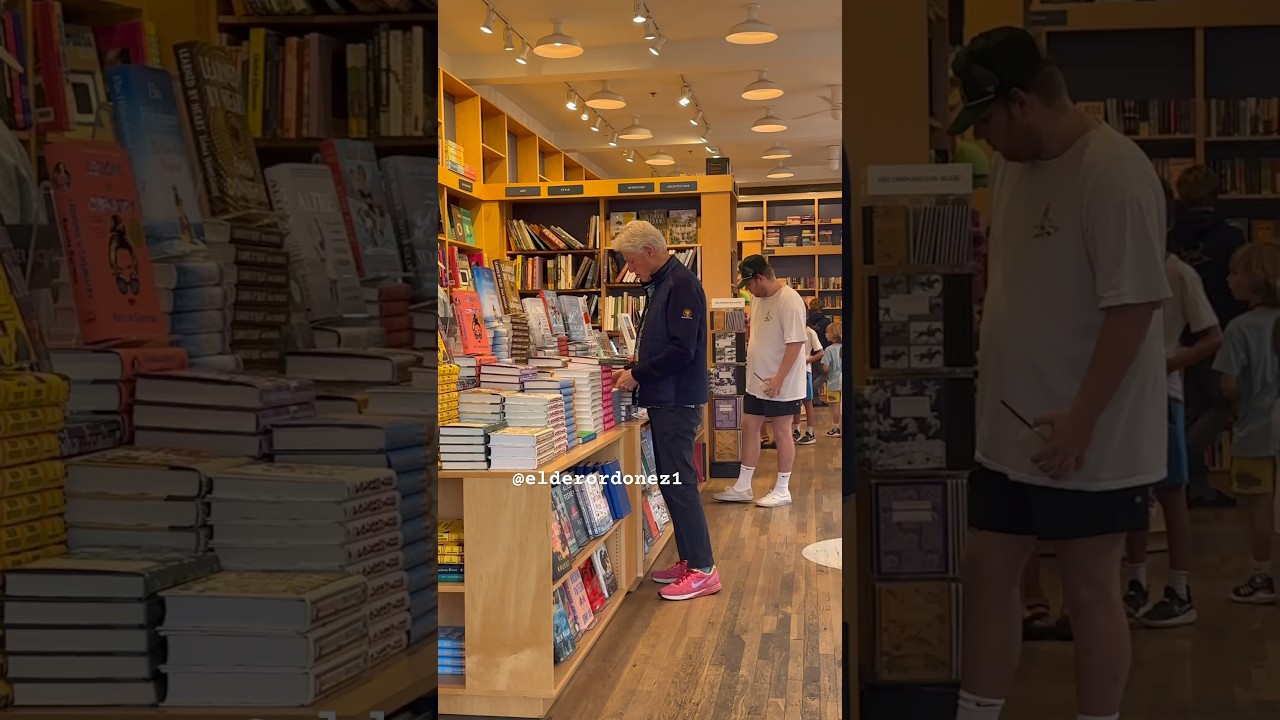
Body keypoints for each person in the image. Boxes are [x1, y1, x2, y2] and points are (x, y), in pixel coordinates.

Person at [947, 27, 1170, 720]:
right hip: (1009, 427)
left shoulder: (1115, 171)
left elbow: (1133, 307)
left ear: (1020, 102)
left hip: (1091, 435)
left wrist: (1082, 417)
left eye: (986, 119)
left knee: (1089, 587)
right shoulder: (1016, 165)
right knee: (988, 571)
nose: (983, 139)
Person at [1124, 178, 1221, 628]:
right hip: (1123, 393)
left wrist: (1169, 365)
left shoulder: (1179, 272)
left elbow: (1211, 335)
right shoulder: (1122, 269)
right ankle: (1136, 581)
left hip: (1162, 394)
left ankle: (1179, 587)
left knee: (1170, 491)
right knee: (1132, 492)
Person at [609, 220, 720, 601]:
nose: (630, 268)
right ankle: (690, 559)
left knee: (682, 485)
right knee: (672, 484)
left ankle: (704, 569)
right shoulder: (664, 283)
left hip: (676, 401)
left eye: (632, 261)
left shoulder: (681, 284)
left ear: (650, 252)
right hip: (666, 400)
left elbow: (681, 350)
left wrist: (639, 373)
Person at [1172, 165, 1248, 505]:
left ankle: (1196, 488)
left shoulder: (1170, 238)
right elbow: (1238, 287)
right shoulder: (1230, 237)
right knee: (1223, 405)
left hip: (1180, 336)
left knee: (1191, 408)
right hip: (1222, 332)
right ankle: (1183, 458)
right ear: (1216, 195)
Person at [1212, 241, 1280, 604]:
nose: (1228, 279)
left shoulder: (1239, 328)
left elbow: (1228, 383)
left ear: (1254, 279)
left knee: (1259, 505)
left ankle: (1262, 574)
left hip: (1255, 430)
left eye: (1235, 272)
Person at [713, 255, 808, 508]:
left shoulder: (790, 300)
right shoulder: (757, 298)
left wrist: (779, 378)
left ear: (760, 278)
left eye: (748, 283)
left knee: (781, 431)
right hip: (757, 380)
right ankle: (743, 486)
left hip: (782, 382)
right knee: (749, 424)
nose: (747, 289)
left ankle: (782, 489)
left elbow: (796, 343)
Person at [792, 323, 823, 445]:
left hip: (804, 371)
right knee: (795, 401)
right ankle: (796, 430)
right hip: (792, 370)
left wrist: (808, 360)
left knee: (807, 401)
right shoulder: (792, 330)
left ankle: (810, 432)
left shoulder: (810, 332)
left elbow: (820, 352)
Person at [821, 322, 843, 438]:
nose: (825, 334)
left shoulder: (829, 350)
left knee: (835, 405)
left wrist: (827, 372)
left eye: (827, 332)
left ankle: (836, 428)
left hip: (834, 382)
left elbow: (825, 367)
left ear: (833, 334)